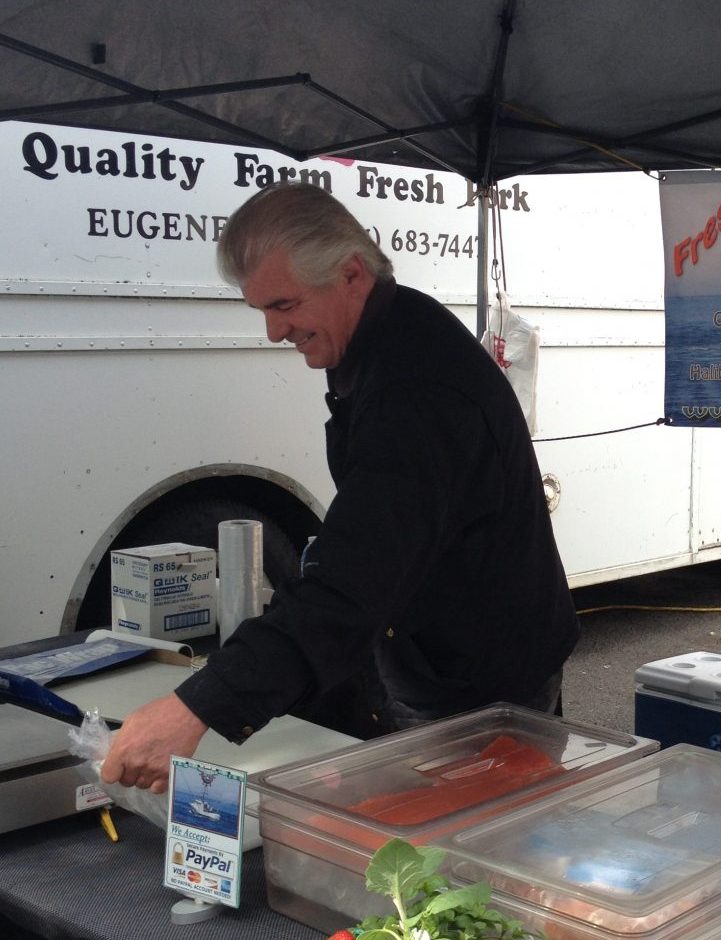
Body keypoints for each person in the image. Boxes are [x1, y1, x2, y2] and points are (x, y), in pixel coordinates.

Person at [102, 182, 580, 793]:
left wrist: (195, 709)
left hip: (477, 677)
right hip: (435, 646)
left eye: (284, 305)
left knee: (473, 853)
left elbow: (352, 578)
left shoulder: (417, 388)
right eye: (263, 312)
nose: (275, 332)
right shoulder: (388, 340)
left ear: (351, 274)